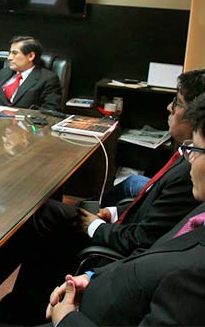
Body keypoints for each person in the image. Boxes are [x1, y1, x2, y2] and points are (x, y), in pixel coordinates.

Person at [0, 69, 205, 324]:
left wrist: (95, 227)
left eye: (177, 102)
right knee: (42, 212)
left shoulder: (188, 176)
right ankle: (2, 297)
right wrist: (113, 212)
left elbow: (142, 241)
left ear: (196, 115)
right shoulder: (187, 160)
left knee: (47, 223)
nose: (169, 107)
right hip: (122, 237)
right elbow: (154, 214)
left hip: (119, 257)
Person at [46, 93, 205, 326]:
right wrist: (91, 277)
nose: (190, 158)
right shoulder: (199, 211)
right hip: (100, 286)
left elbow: (143, 242)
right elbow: (154, 250)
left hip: (92, 314)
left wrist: (66, 320)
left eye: (197, 150)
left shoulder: (197, 273)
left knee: (48, 220)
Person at [0, 36, 62, 111]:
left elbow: (50, 111)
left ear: (31, 56)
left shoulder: (48, 79)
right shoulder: (3, 73)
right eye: (10, 53)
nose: (9, 58)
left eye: (15, 53)